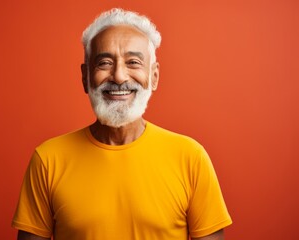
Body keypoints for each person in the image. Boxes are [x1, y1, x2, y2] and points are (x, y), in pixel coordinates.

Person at [12, 8, 232, 240]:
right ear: (85, 77)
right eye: (105, 63)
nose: (119, 76)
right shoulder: (47, 160)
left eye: (133, 62)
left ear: (154, 76)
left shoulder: (190, 157)